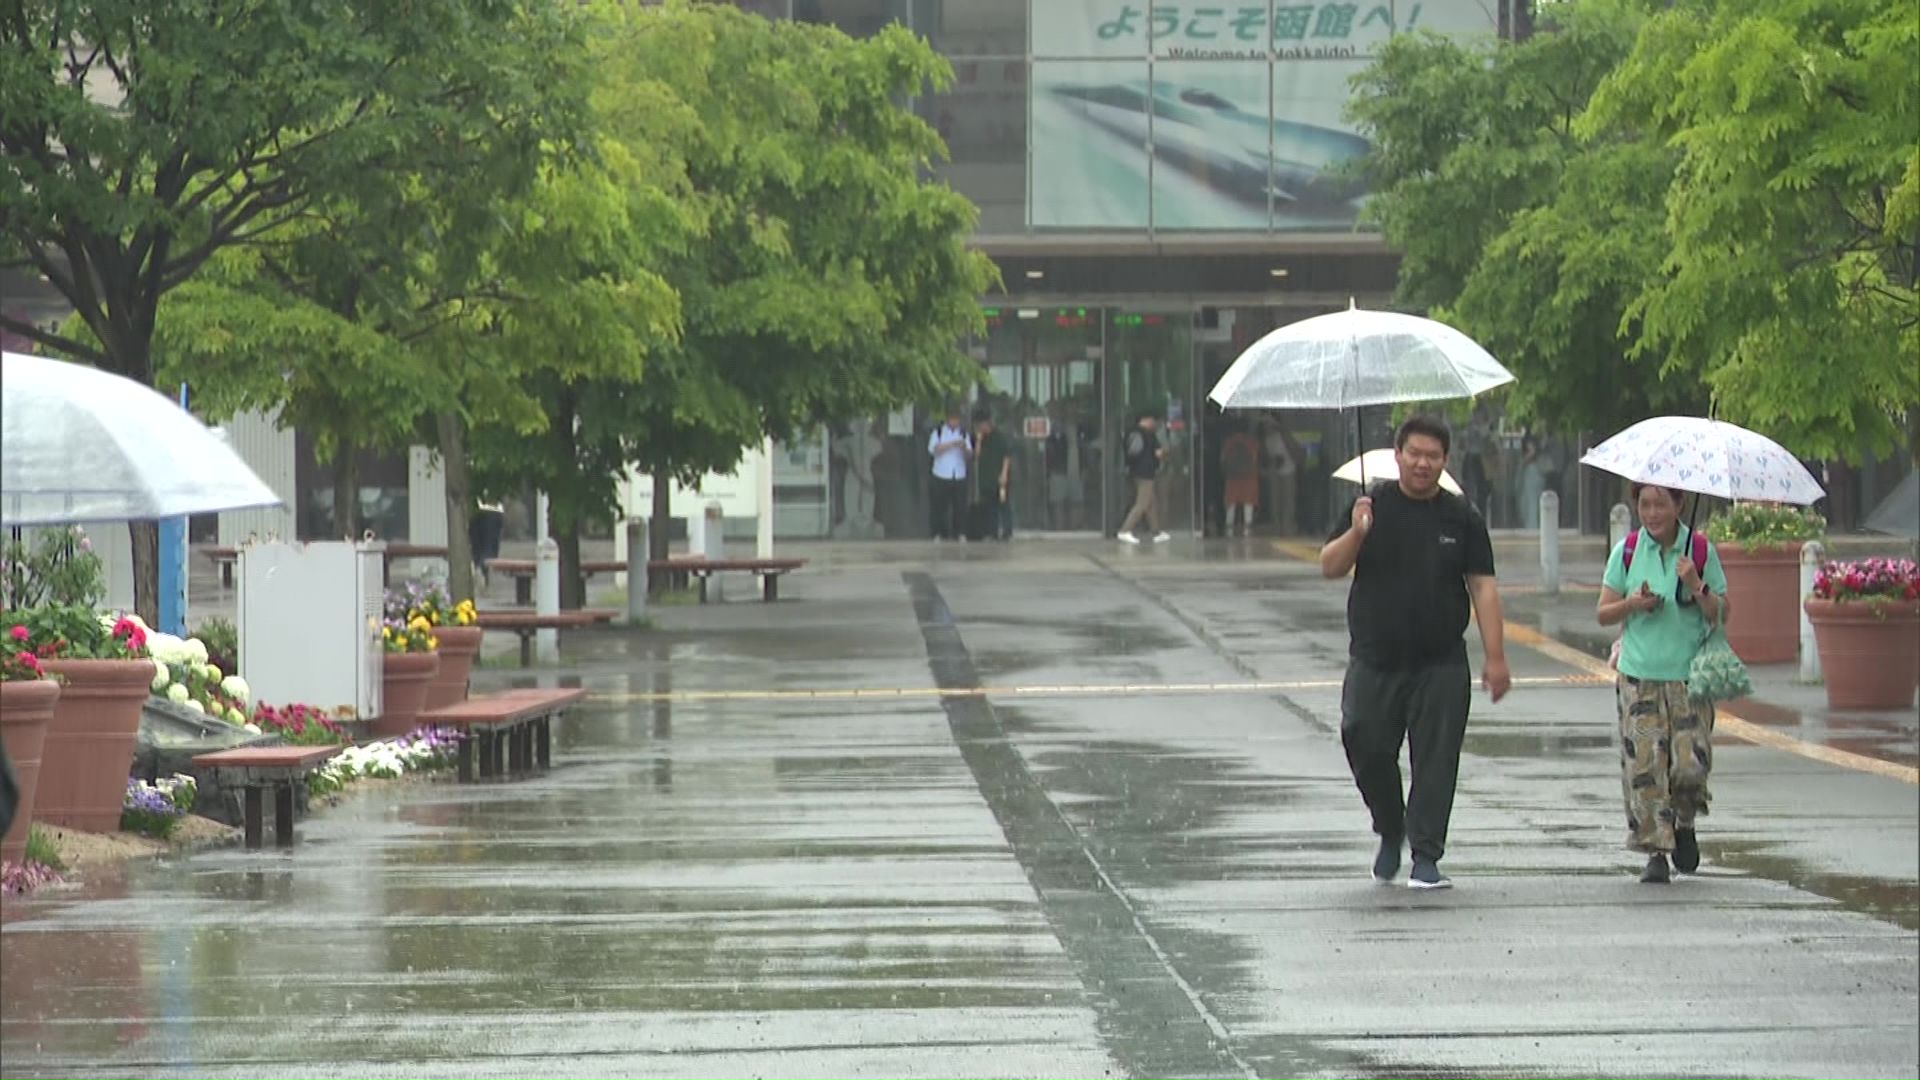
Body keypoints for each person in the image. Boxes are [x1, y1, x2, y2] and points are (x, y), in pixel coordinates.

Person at [1320, 415, 1511, 890]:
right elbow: (1329, 565)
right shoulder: (1370, 505)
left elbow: (1483, 587)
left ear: (1445, 461)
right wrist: (1358, 532)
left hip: (1440, 661)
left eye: (1433, 456)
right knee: (1361, 737)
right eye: (1415, 454)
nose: (1422, 463)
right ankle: (1390, 826)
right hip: (1374, 656)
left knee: (1436, 758)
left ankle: (1426, 855)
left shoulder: (1461, 517)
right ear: (1398, 454)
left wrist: (1496, 656)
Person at [1596, 483, 1727, 884]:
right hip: (1639, 676)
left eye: (1660, 504)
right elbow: (1603, 613)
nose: (1651, 513)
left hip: (1689, 678)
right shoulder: (1629, 551)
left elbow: (1719, 613)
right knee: (1646, 768)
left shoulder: (1701, 552)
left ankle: (1684, 822)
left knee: (1689, 765)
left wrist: (1696, 584)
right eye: (1644, 505)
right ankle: (1656, 850)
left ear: (1680, 505)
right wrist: (1632, 604)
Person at [1117, 412, 1171, 544]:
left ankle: (1156, 531)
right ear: (1147, 419)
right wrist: (1166, 451)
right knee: (1142, 503)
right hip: (1147, 472)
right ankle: (1125, 530)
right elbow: (1158, 453)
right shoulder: (1149, 434)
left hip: (1135, 471)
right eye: (1154, 420)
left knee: (1151, 502)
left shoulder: (1130, 432)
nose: (1155, 424)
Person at [927, 406, 972, 541]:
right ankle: (938, 533)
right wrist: (951, 444)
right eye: (952, 419)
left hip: (958, 474)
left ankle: (959, 532)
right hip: (941, 473)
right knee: (939, 507)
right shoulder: (938, 433)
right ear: (947, 420)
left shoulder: (964, 434)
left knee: (960, 506)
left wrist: (964, 447)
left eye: (957, 420)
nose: (955, 422)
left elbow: (969, 455)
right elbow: (934, 450)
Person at [973, 407, 1013, 541]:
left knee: (1003, 505)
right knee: (990, 508)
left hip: (999, 476)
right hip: (986, 478)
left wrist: (1004, 474)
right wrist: (978, 440)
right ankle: (992, 532)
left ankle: (1007, 532)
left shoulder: (999, 436)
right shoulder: (980, 438)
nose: (980, 427)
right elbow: (977, 456)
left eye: (981, 425)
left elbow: (1006, 456)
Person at [1221, 423, 1261, 537]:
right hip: (1249, 478)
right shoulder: (1252, 441)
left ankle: (1229, 531)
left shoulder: (1229, 442)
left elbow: (1223, 460)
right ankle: (1247, 531)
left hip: (1232, 478)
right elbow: (1256, 459)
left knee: (1231, 505)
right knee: (1248, 505)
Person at [469, 500, 505, 585]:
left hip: (475, 507)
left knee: (476, 547)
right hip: (493, 508)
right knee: (489, 548)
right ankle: (484, 573)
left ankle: (479, 569)